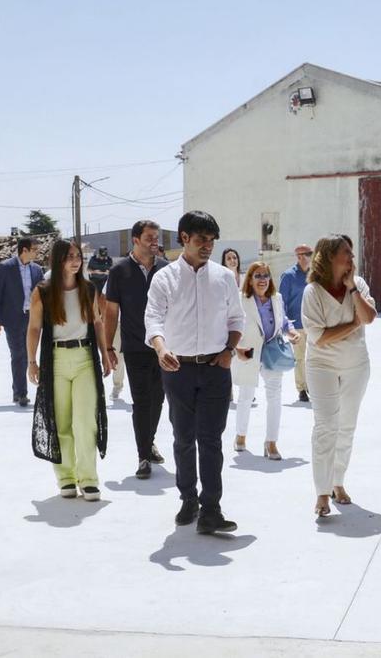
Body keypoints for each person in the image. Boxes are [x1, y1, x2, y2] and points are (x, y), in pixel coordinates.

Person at [145, 211, 245, 534]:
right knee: (183, 438)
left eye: (212, 240)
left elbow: (236, 321)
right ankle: (188, 499)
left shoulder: (224, 278)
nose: (208, 246)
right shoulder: (164, 279)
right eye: (201, 239)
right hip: (178, 370)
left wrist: (230, 351)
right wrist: (161, 349)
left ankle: (211, 508)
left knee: (211, 440)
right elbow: (153, 320)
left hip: (217, 368)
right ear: (184, 238)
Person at [27, 240, 113, 501]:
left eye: (78, 256)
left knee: (85, 422)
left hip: (85, 359)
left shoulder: (88, 288)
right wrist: (32, 361)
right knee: (61, 422)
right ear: (58, 261)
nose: (76, 261)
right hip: (56, 361)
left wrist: (105, 353)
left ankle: (88, 480)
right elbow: (34, 328)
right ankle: (66, 478)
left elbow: (97, 322)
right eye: (70, 257)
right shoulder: (42, 291)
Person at [301, 234, 376, 518]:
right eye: (346, 252)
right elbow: (318, 338)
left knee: (346, 426)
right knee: (325, 426)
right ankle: (322, 493)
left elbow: (368, 318)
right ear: (330, 256)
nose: (352, 257)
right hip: (321, 365)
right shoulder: (313, 292)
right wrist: (353, 323)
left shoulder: (358, 284)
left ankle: (338, 482)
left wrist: (353, 291)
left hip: (356, 364)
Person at [104, 220, 170, 480]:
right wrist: (108, 346)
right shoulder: (119, 271)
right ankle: (143, 455)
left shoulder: (166, 270)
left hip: (164, 348)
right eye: (150, 238)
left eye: (157, 238)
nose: (155, 242)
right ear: (135, 239)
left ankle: (148, 441)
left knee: (159, 399)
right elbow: (111, 312)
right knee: (142, 401)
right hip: (133, 347)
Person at [232, 261, 299, 460]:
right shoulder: (240, 299)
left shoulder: (276, 298)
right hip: (249, 351)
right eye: (258, 276)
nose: (263, 280)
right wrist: (235, 348)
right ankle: (240, 435)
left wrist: (291, 331)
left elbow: (284, 320)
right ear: (250, 280)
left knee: (275, 396)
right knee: (245, 396)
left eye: (266, 276)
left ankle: (271, 442)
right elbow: (230, 324)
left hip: (271, 352)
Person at [0, 237, 44, 407]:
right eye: (34, 249)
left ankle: (21, 389)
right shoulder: (6, 268)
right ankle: (21, 393)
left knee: (30, 354)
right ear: (24, 250)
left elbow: (43, 295)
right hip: (12, 319)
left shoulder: (37, 270)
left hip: (32, 318)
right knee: (18, 354)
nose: (37, 252)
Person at [279, 244, 313, 403]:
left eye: (308, 254)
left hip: (314, 323)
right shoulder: (288, 276)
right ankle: (302, 389)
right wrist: (285, 326)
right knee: (300, 358)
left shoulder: (316, 275)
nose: (305, 257)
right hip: (296, 324)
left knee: (315, 358)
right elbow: (281, 303)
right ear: (297, 257)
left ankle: (313, 386)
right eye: (301, 255)